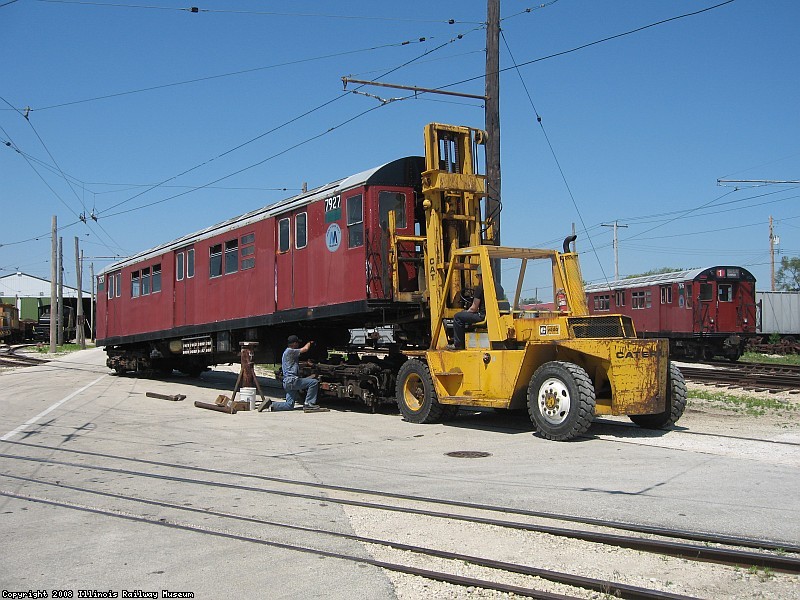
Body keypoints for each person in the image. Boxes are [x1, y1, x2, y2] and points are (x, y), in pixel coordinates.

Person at [268, 335, 329, 412]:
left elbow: (295, 364)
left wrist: (307, 363)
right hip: (292, 381)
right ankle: (309, 404)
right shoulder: (290, 351)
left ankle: (271, 405)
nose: (298, 345)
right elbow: (305, 349)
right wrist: (310, 342)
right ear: (293, 343)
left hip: (287, 382)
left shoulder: (287, 353)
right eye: (297, 343)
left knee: (289, 405)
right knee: (314, 383)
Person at [448, 267, 485, 350]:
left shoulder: (480, 288)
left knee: (458, 317)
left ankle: (458, 344)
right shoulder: (498, 287)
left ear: (480, 276)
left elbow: (474, 308)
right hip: (491, 316)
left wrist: (466, 311)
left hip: (482, 316)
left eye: (477, 277)